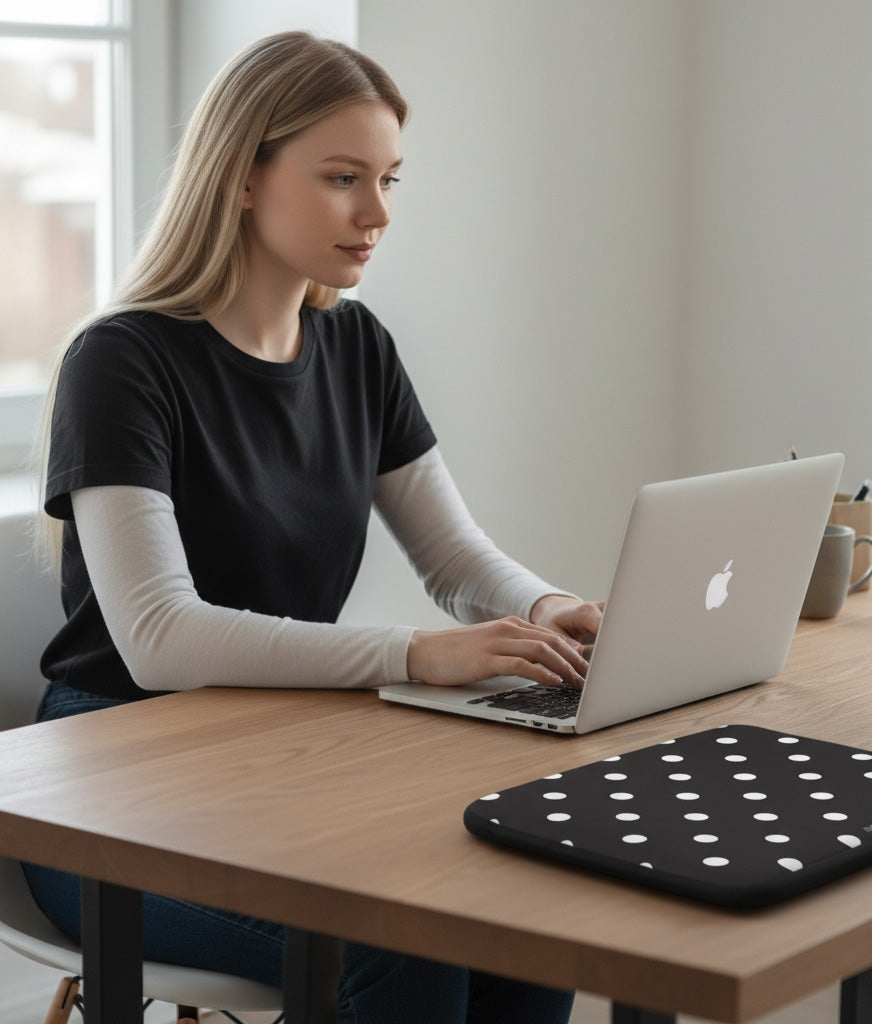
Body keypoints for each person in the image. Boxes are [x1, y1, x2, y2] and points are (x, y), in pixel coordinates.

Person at [27, 31, 602, 1024]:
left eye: (387, 179)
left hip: (272, 750)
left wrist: (548, 607)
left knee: (524, 907)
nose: (377, 213)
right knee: (404, 946)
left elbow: (454, 555)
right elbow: (162, 640)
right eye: (342, 178)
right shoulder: (120, 363)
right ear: (242, 177)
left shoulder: (354, 346)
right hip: (102, 791)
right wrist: (421, 655)